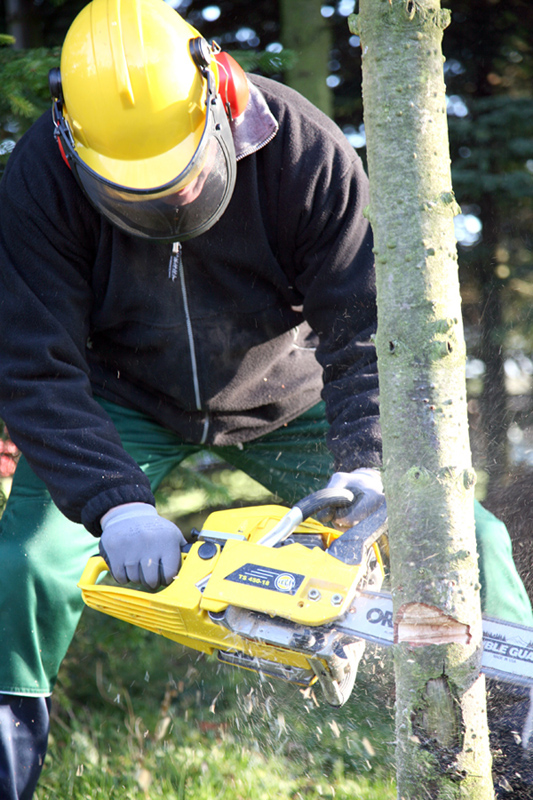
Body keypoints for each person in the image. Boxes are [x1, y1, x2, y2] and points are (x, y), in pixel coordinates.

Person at [0, 0, 530, 797]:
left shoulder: (298, 146)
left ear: (217, 100)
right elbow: (32, 362)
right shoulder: (41, 175)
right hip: (123, 400)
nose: (170, 204)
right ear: (74, 139)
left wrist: (371, 464)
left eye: (180, 180)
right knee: (25, 568)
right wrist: (114, 504)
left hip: (291, 394)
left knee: (468, 539)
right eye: (141, 193)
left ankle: (520, 747)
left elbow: (365, 327)